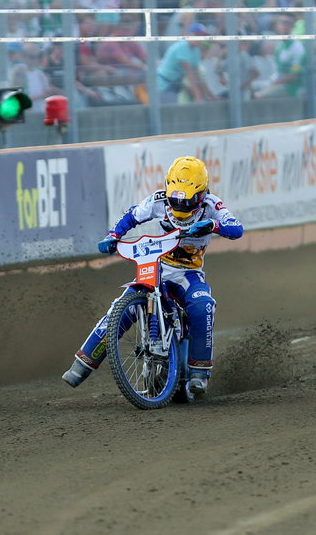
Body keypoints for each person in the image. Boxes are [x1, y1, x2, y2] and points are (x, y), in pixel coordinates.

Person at [62, 156, 244, 395]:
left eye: (188, 203)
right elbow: (131, 216)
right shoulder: (156, 200)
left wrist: (214, 225)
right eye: (175, 201)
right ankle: (83, 364)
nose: (180, 207)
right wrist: (112, 236)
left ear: (201, 195)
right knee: (121, 307)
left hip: (188, 274)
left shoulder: (213, 205)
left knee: (203, 305)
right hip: (155, 265)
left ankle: (200, 372)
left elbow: (237, 228)